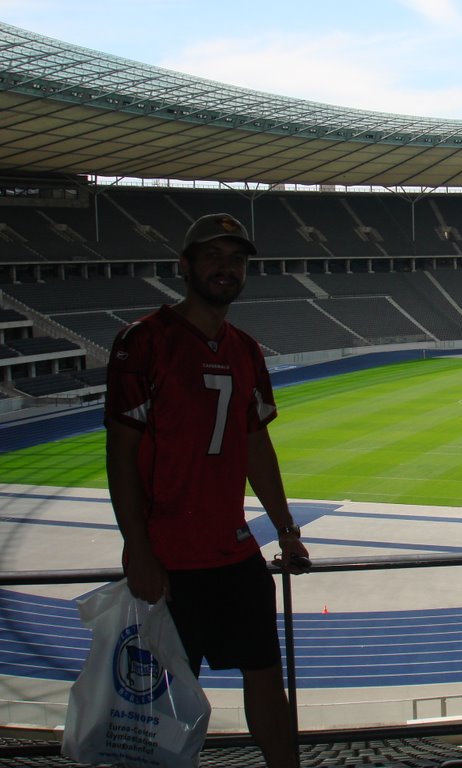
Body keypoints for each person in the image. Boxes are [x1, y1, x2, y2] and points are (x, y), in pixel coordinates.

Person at [104, 213, 309, 768]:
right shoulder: (143, 342)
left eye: (236, 259)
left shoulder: (246, 349)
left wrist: (286, 530)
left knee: (267, 683)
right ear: (185, 266)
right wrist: (138, 549)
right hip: (168, 560)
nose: (226, 268)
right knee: (166, 702)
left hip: (233, 550)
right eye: (213, 256)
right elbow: (120, 455)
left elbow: (255, 447)